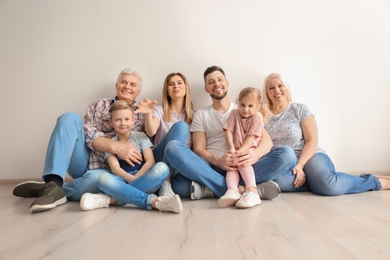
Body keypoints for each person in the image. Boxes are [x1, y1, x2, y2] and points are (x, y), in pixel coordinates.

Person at [12, 68, 167, 213]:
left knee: (100, 180)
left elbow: (149, 143)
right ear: (116, 85)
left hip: (114, 173)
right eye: (124, 82)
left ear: (138, 91)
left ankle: (56, 189)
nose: (127, 87)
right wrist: (115, 146)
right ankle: (53, 180)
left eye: (133, 84)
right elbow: (88, 135)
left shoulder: (143, 112)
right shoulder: (99, 105)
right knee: (69, 118)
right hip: (87, 162)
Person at [161, 66, 297, 201]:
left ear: (227, 84)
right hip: (212, 168)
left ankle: (219, 189)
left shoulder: (246, 108)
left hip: (245, 165)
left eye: (220, 80)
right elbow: (199, 149)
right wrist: (218, 161)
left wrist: (254, 155)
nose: (216, 84)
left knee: (288, 155)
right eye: (211, 82)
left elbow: (267, 141)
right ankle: (249, 189)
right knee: (173, 149)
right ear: (206, 88)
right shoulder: (201, 114)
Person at [262, 73, 390, 195]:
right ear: (267, 93)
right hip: (285, 162)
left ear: (286, 87)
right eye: (271, 88)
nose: (276, 91)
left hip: (310, 155)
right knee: (276, 183)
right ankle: (318, 181)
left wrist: (300, 165)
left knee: (329, 186)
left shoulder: (300, 109)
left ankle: (374, 181)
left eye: (280, 86)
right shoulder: (262, 115)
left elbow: (312, 140)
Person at [80, 101, 183, 213]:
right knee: (103, 179)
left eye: (127, 119)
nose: (123, 123)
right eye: (118, 120)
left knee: (162, 167)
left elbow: (150, 161)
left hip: (145, 179)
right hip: (123, 180)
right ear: (111, 122)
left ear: (133, 120)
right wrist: (129, 179)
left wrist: (137, 177)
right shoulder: (111, 143)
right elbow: (115, 168)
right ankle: (155, 202)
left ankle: (113, 199)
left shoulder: (141, 137)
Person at [134, 72, 194, 196]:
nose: (176, 86)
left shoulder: (194, 115)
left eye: (179, 83)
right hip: (161, 158)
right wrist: (148, 113)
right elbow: (151, 131)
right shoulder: (159, 110)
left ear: (186, 88)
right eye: (171, 84)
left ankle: (164, 186)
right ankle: (165, 181)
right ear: (167, 91)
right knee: (181, 127)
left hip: (180, 166)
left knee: (183, 188)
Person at [219, 87, 265, 208]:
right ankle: (233, 191)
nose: (245, 109)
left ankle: (252, 190)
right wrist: (232, 148)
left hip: (249, 149)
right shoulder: (234, 113)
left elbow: (251, 137)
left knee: (242, 161)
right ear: (238, 102)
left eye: (250, 106)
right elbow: (228, 130)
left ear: (258, 106)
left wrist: (240, 152)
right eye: (242, 105)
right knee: (231, 166)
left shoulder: (257, 117)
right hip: (236, 148)